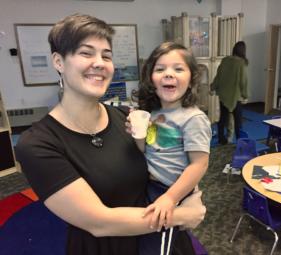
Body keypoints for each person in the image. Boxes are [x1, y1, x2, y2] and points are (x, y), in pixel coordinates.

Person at [15, 14, 206, 255]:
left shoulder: (127, 117)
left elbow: (172, 160)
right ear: (58, 61)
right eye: (86, 53)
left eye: (106, 55)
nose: (100, 63)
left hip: (161, 241)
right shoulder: (38, 144)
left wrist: (190, 189)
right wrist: (181, 214)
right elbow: (99, 222)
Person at [128, 42, 211, 255]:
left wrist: (171, 197)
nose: (168, 74)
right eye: (160, 69)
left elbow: (199, 164)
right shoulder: (153, 113)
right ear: (151, 78)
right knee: (152, 240)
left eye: (178, 68)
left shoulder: (193, 118)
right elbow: (145, 152)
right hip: (150, 185)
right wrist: (137, 134)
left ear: (191, 78)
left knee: (157, 248)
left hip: (171, 189)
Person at [211, 41, 248, 145]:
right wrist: (245, 95)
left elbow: (218, 76)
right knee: (238, 121)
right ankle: (240, 141)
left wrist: (212, 87)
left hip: (223, 95)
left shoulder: (225, 60)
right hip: (236, 97)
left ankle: (222, 139)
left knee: (223, 119)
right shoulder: (241, 63)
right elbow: (243, 81)